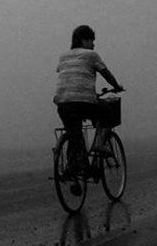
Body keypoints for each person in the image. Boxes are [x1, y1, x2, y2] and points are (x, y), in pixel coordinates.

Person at [53, 25, 124, 178]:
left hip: (63, 103)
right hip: (84, 101)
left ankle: (74, 167)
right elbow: (106, 74)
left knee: (74, 133)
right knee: (107, 112)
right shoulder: (91, 55)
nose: (93, 44)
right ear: (83, 40)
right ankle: (99, 145)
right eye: (91, 40)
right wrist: (117, 86)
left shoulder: (63, 56)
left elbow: (66, 74)